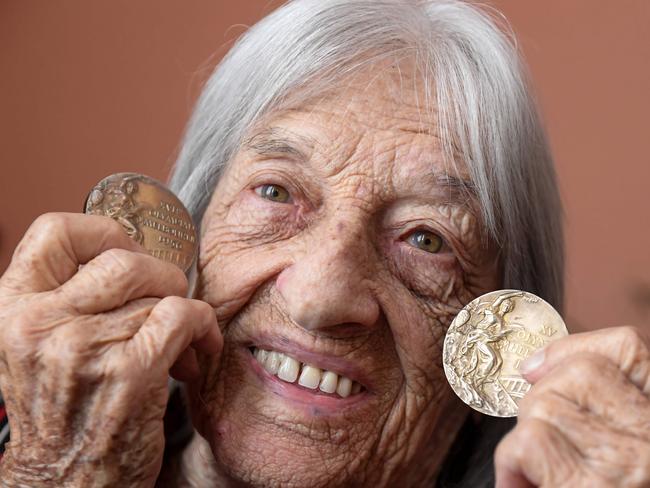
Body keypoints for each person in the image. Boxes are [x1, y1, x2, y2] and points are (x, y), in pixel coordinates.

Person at [0, 1, 648, 486]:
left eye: (426, 237)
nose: (319, 296)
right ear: (188, 234)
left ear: (505, 340)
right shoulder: (33, 439)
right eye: (277, 192)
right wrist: (57, 472)